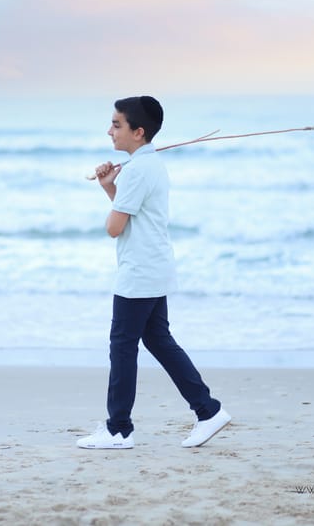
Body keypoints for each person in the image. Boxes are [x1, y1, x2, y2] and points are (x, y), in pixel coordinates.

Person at [77, 96, 231, 449]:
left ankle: (118, 430)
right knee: (157, 340)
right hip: (153, 267)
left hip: (140, 272)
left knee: (123, 346)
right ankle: (207, 410)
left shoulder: (138, 171)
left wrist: (116, 191)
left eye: (117, 125)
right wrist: (109, 187)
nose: (110, 131)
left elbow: (114, 227)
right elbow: (133, 214)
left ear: (139, 132)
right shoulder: (149, 166)